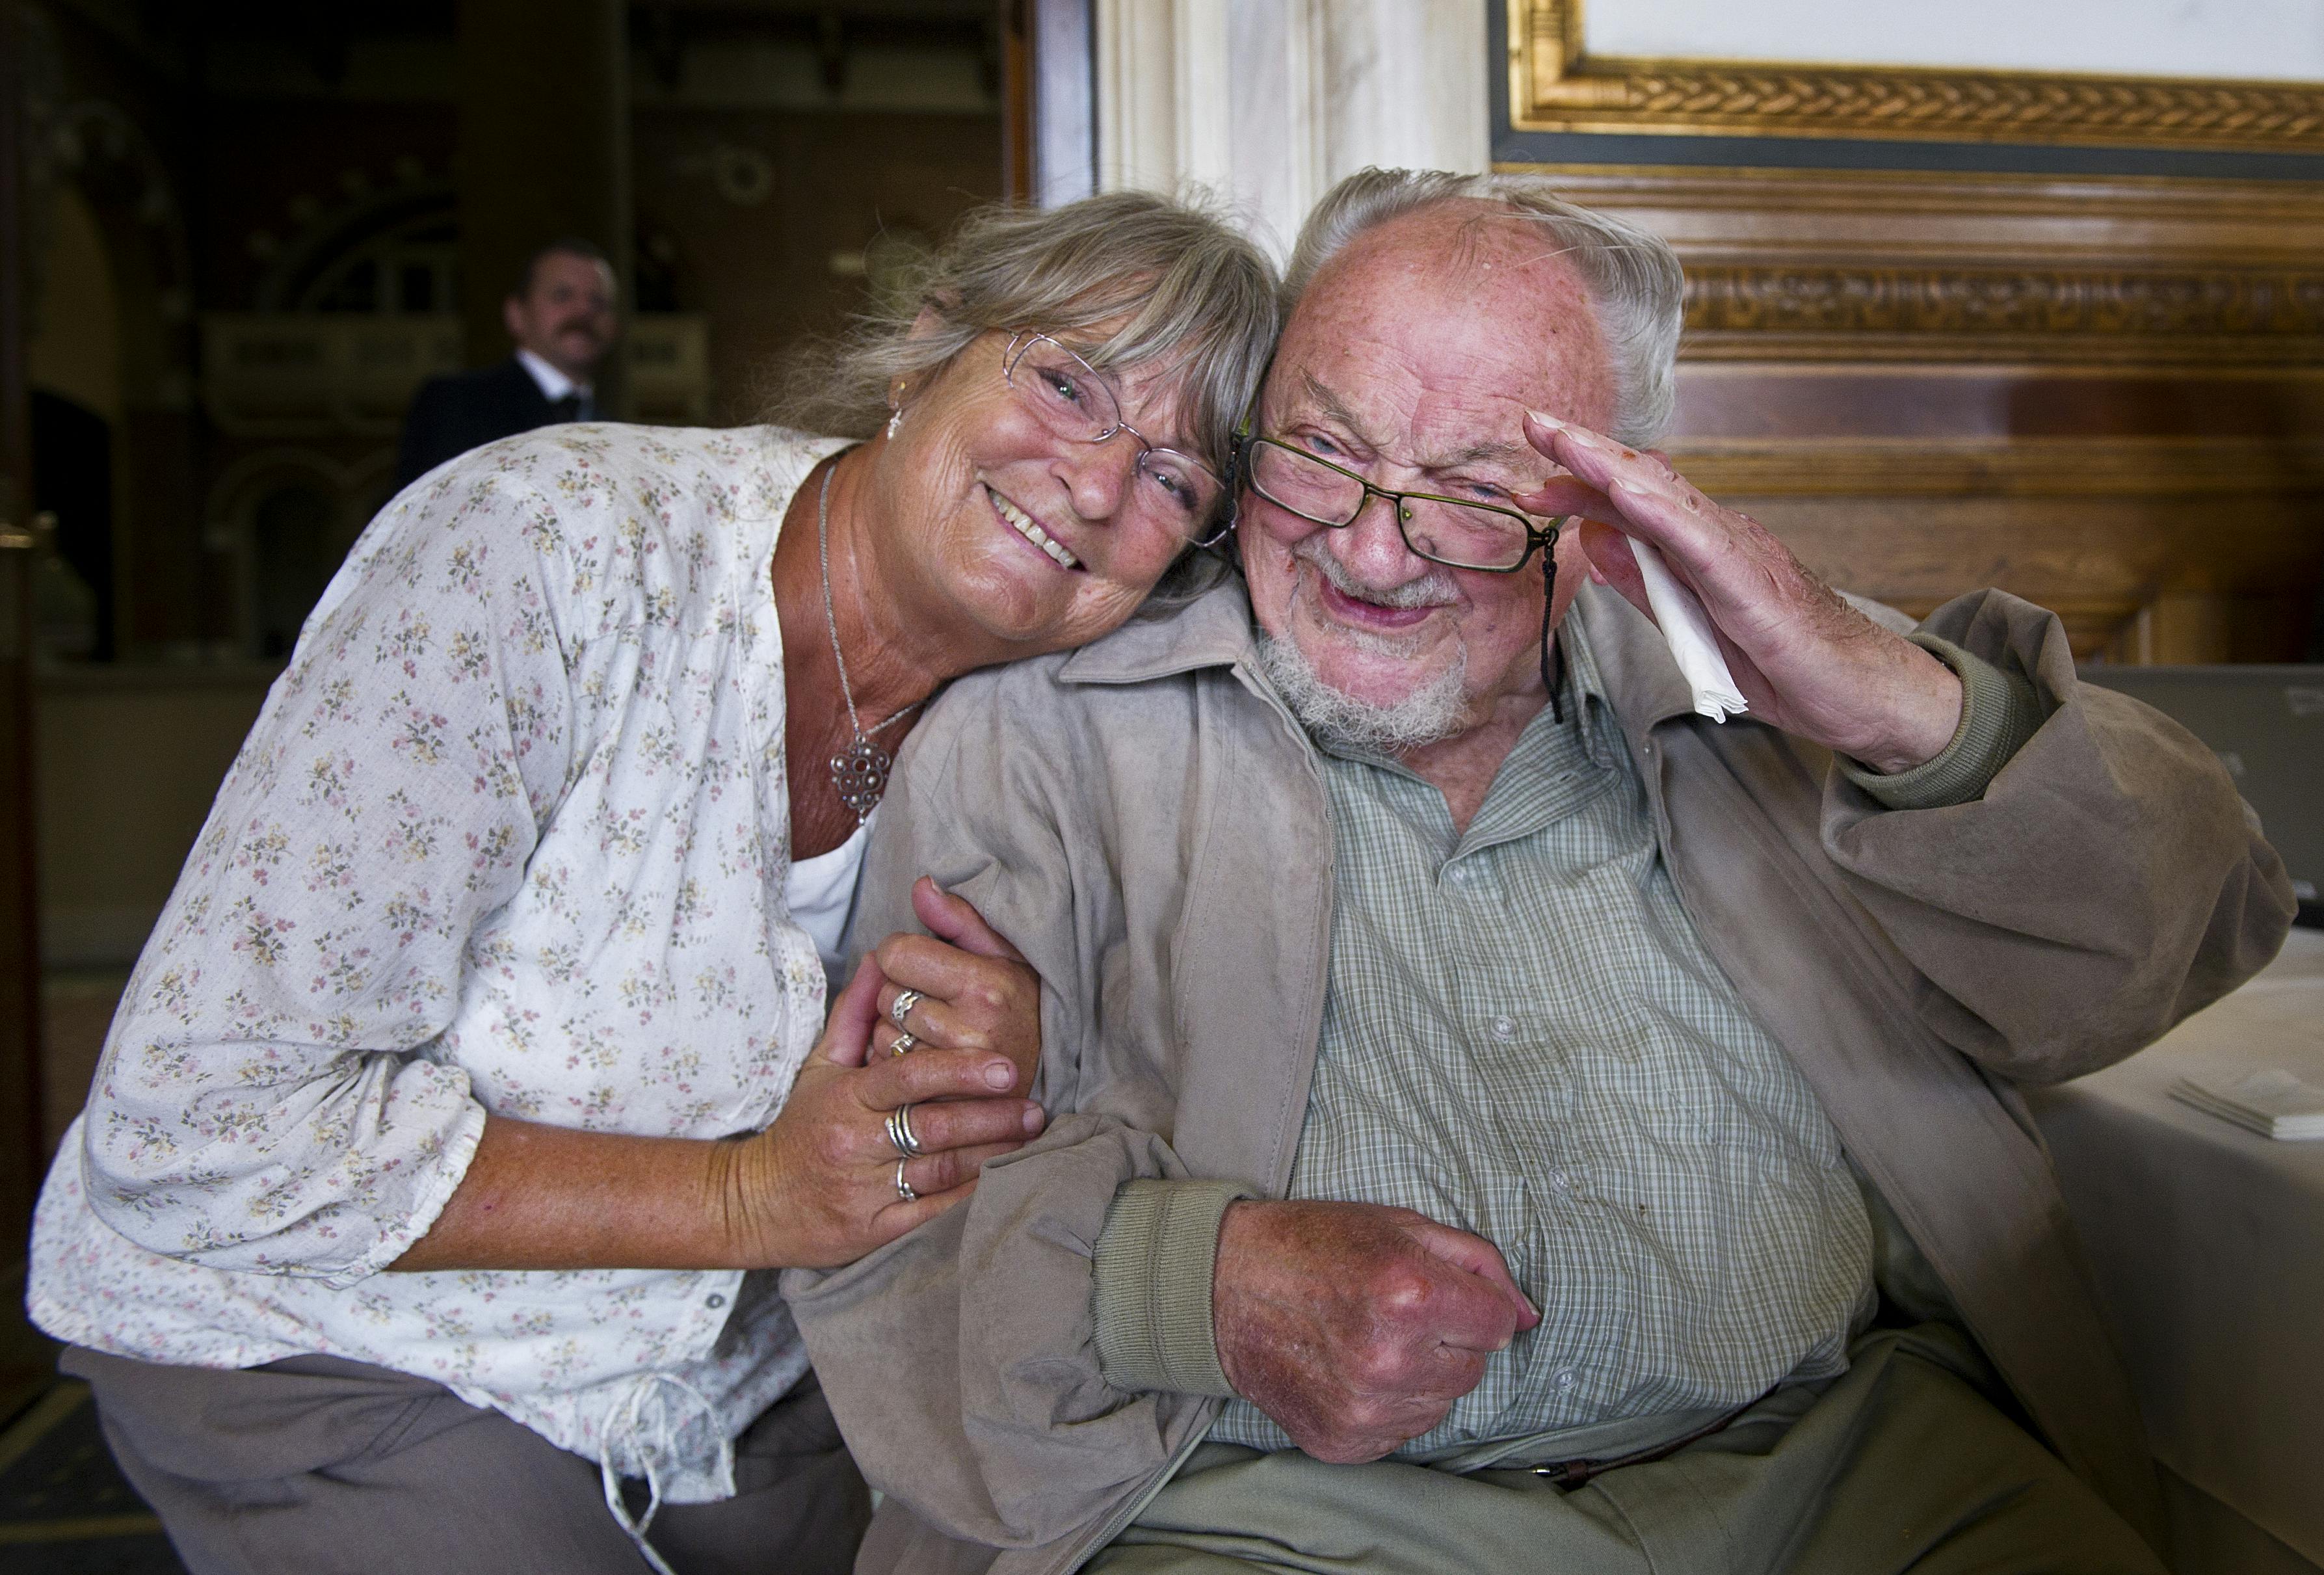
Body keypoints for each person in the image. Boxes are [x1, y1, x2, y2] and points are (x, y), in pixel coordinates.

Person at [786, 170, 2297, 1574]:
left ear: (1609, 502)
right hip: (1271, 1528)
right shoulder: (1048, 732)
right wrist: (1206, 1288)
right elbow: (881, 1232)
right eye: (1320, 451)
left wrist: (1889, 700)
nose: (1373, 555)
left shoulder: (1759, 672)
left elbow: (2190, 929)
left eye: (1472, 490)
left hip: (1847, 1478)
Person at [29, 191, 1278, 1575]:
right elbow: (200, 1118)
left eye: (1174, 478)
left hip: (721, 1370)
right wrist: (752, 1197)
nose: (1098, 484)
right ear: (925, 348)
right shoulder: (539, 551)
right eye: (1064, 381)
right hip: (328, 1343)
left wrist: (1024, 1048)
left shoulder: (1064, 699)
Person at [395, 238, 621, 488]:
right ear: (516, 314)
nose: (583, 311)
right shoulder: (457, 404)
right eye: (563, 295)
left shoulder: (615, 432)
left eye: (598, 301)